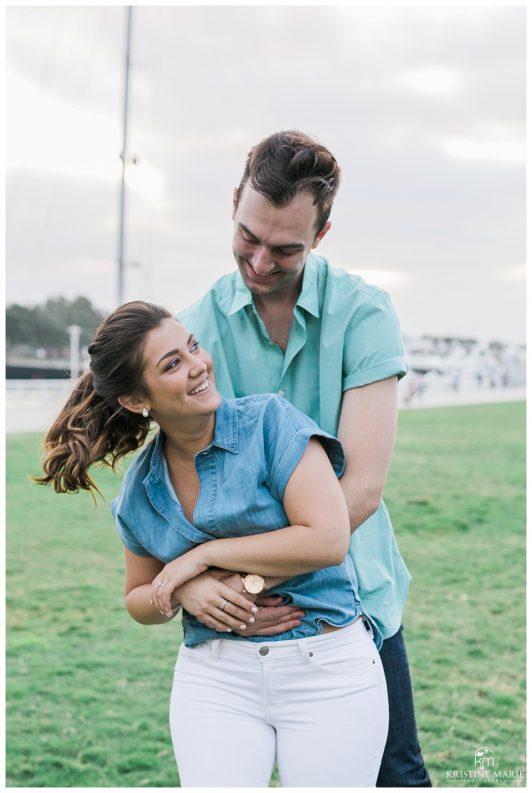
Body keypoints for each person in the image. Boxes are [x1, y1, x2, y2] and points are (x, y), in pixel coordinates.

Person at [36, 301, 389, 787]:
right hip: (216, 678)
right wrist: (181, 591)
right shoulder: (141, 489)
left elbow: (328, 538)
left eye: (193, 346)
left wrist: (201, 559)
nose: (198, 365)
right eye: (172, 364)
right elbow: (137, 599)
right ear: (138, 401)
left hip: (325, 668)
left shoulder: (270, 422)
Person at [177, 130, 432, 787]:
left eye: (285, 248)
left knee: (397, 776)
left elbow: (362, 489)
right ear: (234, 202)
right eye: (248, 237)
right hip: (238, 624)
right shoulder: (193, 330)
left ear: (321, 233)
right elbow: (191, 495)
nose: (260, 261)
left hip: (356, 601)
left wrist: (247, 579)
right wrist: (208, 589)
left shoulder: (365, 313)